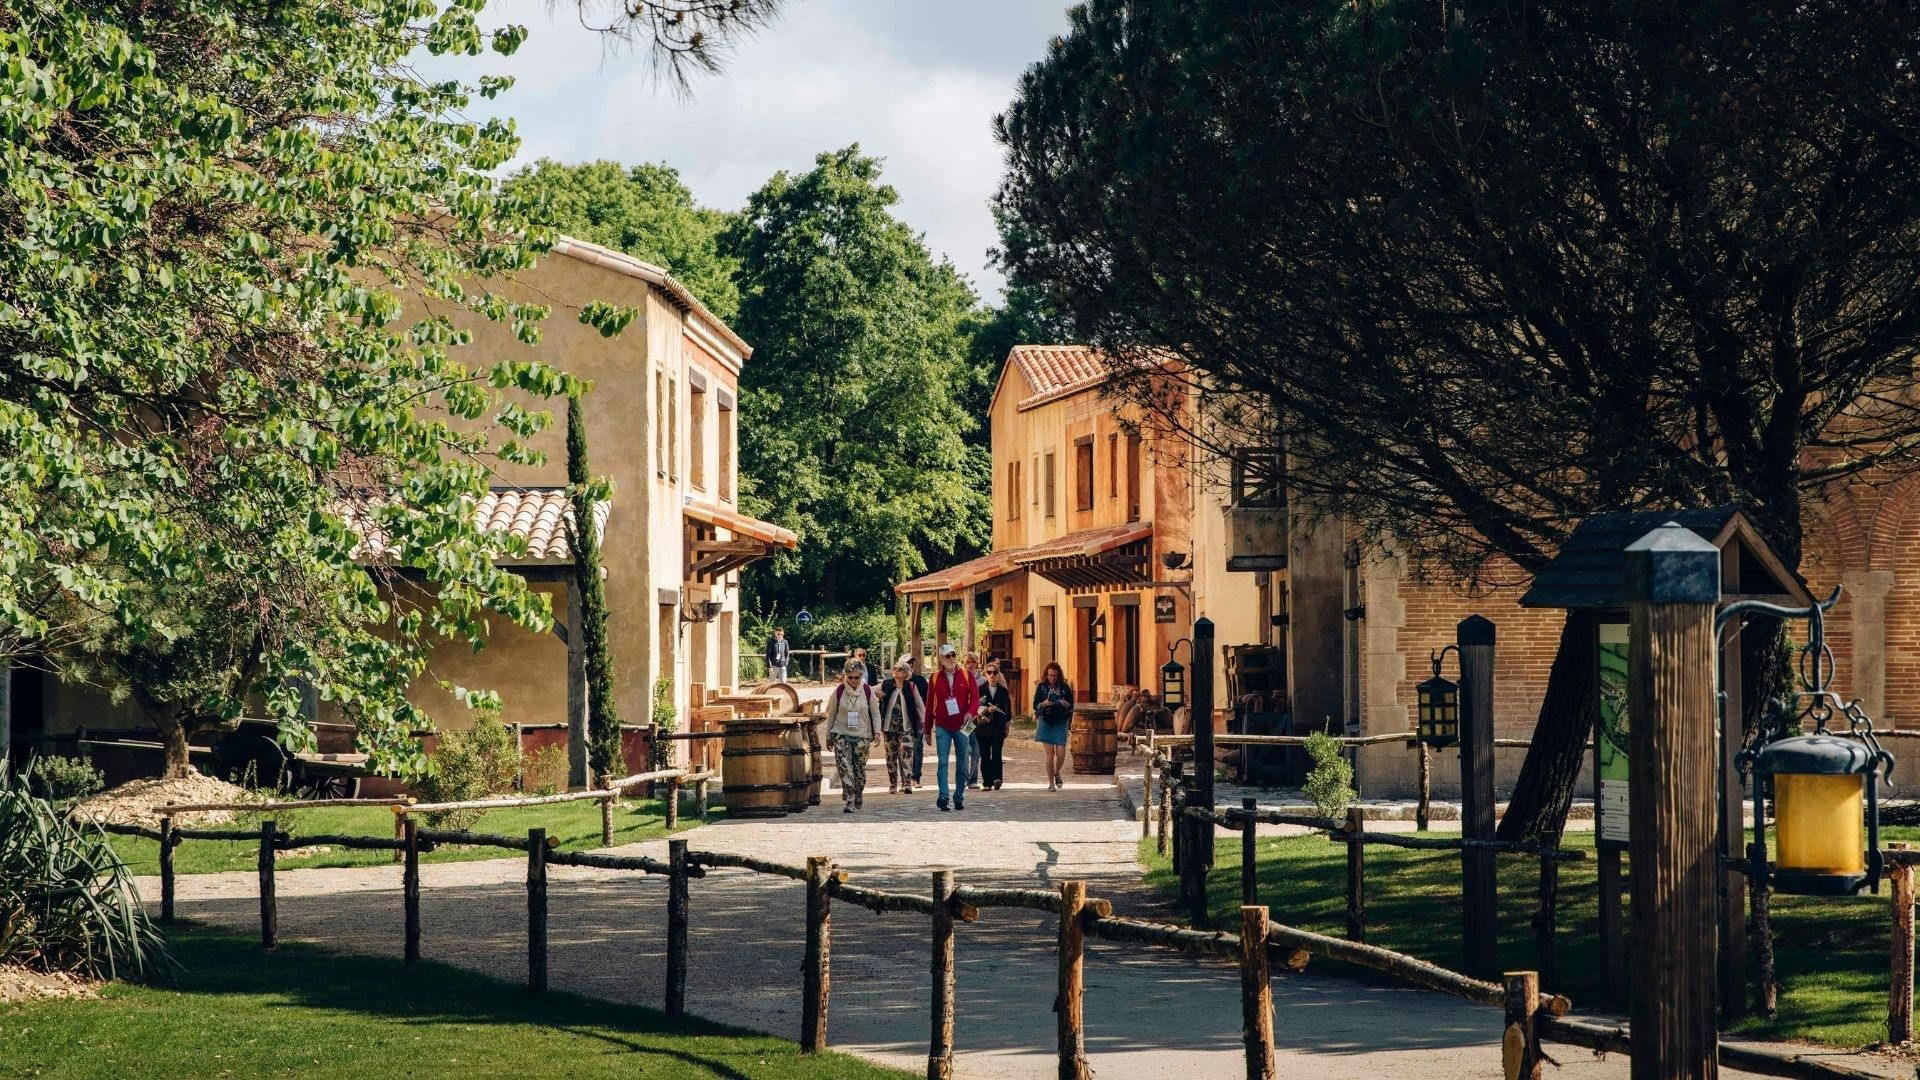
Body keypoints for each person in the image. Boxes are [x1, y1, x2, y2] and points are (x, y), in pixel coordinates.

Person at [924, 644, 978, 811]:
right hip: (942, 725)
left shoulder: (967, 675)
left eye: (954, 655)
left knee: (963, 762)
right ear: (942, 658)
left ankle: (959, 796)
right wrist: (927, 729)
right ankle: (944, 795)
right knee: (943, 762)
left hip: (963, 725)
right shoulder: (934, 678)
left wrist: (970, 712)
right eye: (948, 656)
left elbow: (975, 699)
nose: (952, 658)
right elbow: (929, 704)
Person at [824, 661, 880, 812]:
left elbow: (875, 713)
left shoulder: (868, 691)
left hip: (862, 735)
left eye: (856, 677)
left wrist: (877, 732)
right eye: (850, 677)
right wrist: (828, 735)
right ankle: (849, 799)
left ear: (861, 676)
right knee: (845, 767)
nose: (853, 680)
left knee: (859, 769)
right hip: (841, 732)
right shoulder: (839, 691)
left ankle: (859, 792)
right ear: (846, 676)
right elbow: (832, 714)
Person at [878, 658, 923, 794]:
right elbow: (867, 689)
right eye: (895, 668)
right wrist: (877, 694)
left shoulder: (911, 687)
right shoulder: (886, 684)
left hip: (906, 727)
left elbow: (920, 706)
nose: (896, 671)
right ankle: (893, 783)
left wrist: (924, 724)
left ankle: (907, 782)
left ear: (906, 673)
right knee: (891, 756)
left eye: (900, 669)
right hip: (889, 728)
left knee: (906, 754)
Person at [1032, 660, 1074, 790]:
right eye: (1050, 675)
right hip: (1046, 721)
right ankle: (1051, 783)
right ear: (1046, 674)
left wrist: (1064, 703)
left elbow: (1071, 705)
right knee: (1050, 754)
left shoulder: (1064, 687)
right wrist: (1044, 704)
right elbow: (1035, 705)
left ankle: (1056, 772)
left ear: (1058, 675)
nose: (1052, 678)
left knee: (1061, 753)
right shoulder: (1041, 687)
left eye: (1054, 675)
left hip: (1061, 721)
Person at [975, 661, 1013, 790]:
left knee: (997, 753)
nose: (992, 675)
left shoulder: (1003, 691)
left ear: (998, 674)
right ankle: (986, 782)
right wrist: (986, 710)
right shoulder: (980, 690)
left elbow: (1008, 710)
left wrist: (1007, 725)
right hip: (983, 727)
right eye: (989, 672)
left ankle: (997, 778)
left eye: (994, 672)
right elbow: (975, 708)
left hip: (998, 726)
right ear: (985, 674)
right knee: (985, 755)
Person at [963, 652, 986, 789]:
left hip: (978, 720)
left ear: (976, 663)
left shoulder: (982, 681)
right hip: (967, 721)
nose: (969, 664)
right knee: (965, 748)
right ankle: (964, 777)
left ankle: (973, 779)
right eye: (966, 662)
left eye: (972, 661)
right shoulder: (960, 678)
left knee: (976, 751)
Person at [906, 655, 930, 784]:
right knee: (902, 749)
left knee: (917, 747)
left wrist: (927, 719)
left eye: (911, 663)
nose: (910, 665)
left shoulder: (920, 681)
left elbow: (928, 700)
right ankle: (905, 776)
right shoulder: (896, 681)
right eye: (907, 663)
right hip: (902, 721)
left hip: (918, 720)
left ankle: (915, 776)